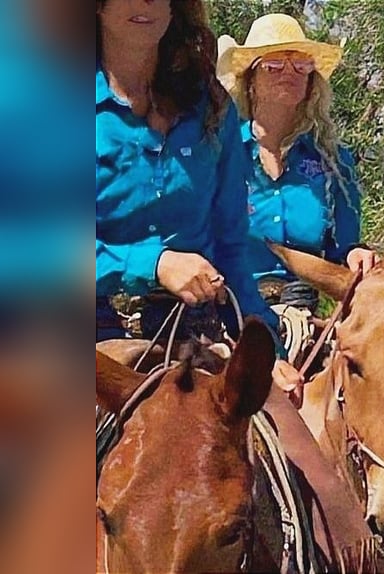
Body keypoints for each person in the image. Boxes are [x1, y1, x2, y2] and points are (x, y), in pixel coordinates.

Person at [96, 0, 303, 421]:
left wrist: (269, 353)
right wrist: (152, 264)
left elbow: (231, 248)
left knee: (312, 470)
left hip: (193, 338)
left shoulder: (211, 108)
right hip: (82, 341)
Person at [217, 13, 377, 316]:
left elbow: (343, 248)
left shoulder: (335, 163)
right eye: (274, 64)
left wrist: (356, 254)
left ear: (310, 81)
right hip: (229, 313)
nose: (288, 72)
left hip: (303, 317)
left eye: (301, 64)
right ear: (250, 80)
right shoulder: (217, 156)